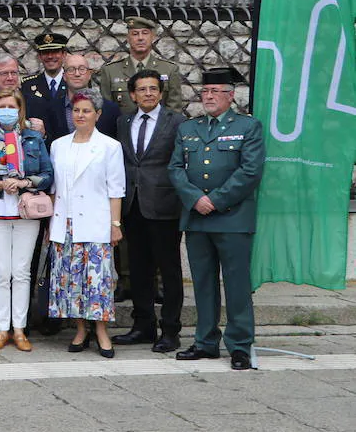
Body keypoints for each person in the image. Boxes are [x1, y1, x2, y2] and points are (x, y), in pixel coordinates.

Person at [169, 66, 265, 371]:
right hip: (197, 217)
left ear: (230, 95)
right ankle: (206, 341)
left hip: (233, 218)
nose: (208, 96)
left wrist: (216, 200)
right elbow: (175, 169)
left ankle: (239, 345)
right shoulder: (188, 128)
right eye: (205, 91)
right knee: (203, 284)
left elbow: (250, 172)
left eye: (215, 91)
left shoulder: (248, 127)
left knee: (237, 284)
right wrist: (196, 199)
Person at [0, 89, 54, 352]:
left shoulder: (34, 139)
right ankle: (2, 328)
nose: (6, 111)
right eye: (1, 106)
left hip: (27, 211)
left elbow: (48, 174)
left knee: (22, 271)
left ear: (20, 110)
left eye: (11, 107)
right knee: (1, 272)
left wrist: (25, 182)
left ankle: (20, 329)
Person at [112, 69, 187, 353]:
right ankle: (143, 325)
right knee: (139, 270)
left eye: (153, 89)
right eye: (142, 89)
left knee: (168, 271)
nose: (148, 94)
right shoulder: (123, 121)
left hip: (165, 207)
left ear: (160, 92)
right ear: (132, 94)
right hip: (133, 205)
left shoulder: (176, 121)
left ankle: (170, 330)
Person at [47, 90, 125, 359]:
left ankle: (101, 330)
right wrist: (50, 224)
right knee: (69, 281)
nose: (80, 115)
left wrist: (115, 223)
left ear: (98, 114)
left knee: (97, 281)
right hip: (64, 222)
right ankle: (80, 329)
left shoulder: (109, 147)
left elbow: (116, 189)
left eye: (86, 111)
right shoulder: (58, 145)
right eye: (76, 110)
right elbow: (54, 189)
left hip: (95, 221)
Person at [99, 16, 186, 115]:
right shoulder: (111, 71)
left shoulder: (169, 70)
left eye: (145, 33)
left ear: (152, 37)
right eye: (135, 34)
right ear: (128, 39)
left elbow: (173, 112)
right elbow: (107, 111)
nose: (140, 38)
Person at [21, 32, 69, 140]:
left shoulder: (72, 82)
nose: (50, 56)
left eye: (55, 52)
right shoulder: (28, 85)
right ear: (39, 56)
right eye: (45, 52)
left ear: (64, 54)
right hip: (38, 147)